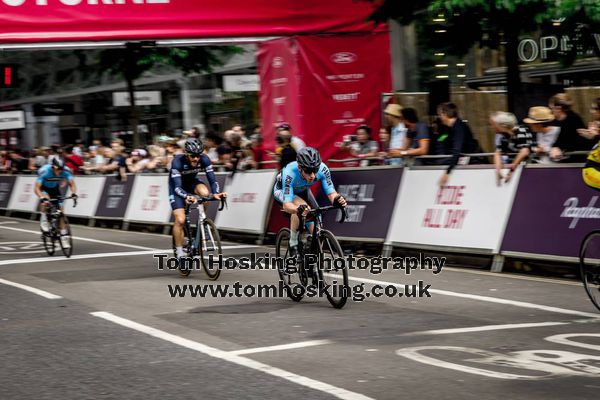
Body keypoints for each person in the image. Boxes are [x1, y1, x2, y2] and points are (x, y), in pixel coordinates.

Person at [272, 147, 347, 258]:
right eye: (308, 171)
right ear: (300, 168)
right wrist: (298, 209)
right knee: (302, 207)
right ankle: (293, 243)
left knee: (317, 229)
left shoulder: (323, 169)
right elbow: (287, 205)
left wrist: (338, 200)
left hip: (303, 190)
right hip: (283, 191)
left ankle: (311, 263)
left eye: (315, 170)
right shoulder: (289, 172)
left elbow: (331, 193)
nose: (312, 175)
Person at [169, 139, 227, 265]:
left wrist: (216, 193)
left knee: (206, 194)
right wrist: (186, 196)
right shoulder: (177, 162)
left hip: (192, 183)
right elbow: (177, 187)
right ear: (186, 154)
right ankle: (180, 254)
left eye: (198, 155)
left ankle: (202, 222)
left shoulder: (204, 159)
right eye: (192, 156)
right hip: (177, 188)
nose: (196, 159)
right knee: (180, 220)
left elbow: (212, 180)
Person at [34, 158, 78, 248]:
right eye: (58, 169)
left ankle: (63, 236)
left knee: (61, 211)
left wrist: (73, 193)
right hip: (43, 187)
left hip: (54, 188)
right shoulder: (45, 171)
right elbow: (36, 188)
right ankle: (44, 219)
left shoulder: (65, 170)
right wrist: (41, 197)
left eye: (61, 169)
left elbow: (72, 184)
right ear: (53, 167)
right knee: (45, 200)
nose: (60, 171)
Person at [436, 102, 480, 187]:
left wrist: (447, 172)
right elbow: (442, 140)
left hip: (471, 161)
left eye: (440, 115)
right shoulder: (449, 129)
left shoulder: (459, 127)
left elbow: (457, 150)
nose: (439, 118)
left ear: (444, 114)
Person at [491, 111, 535, 185]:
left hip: (528, 168)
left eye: (496, 125)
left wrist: (512, 170)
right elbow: (498, 153)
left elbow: (525, 151)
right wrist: (498, 170)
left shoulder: (522, 130)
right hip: (516, 167)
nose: (493, 127)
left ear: (502, 125)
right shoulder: (504, 136)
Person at [549, 93, 594, 162]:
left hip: (580, 161)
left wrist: (556, 148)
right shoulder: (566, 120)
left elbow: (567, 140)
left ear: (558, 108)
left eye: (551, 108)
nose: (551, 112)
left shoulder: (573, 120)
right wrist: (555, 147)